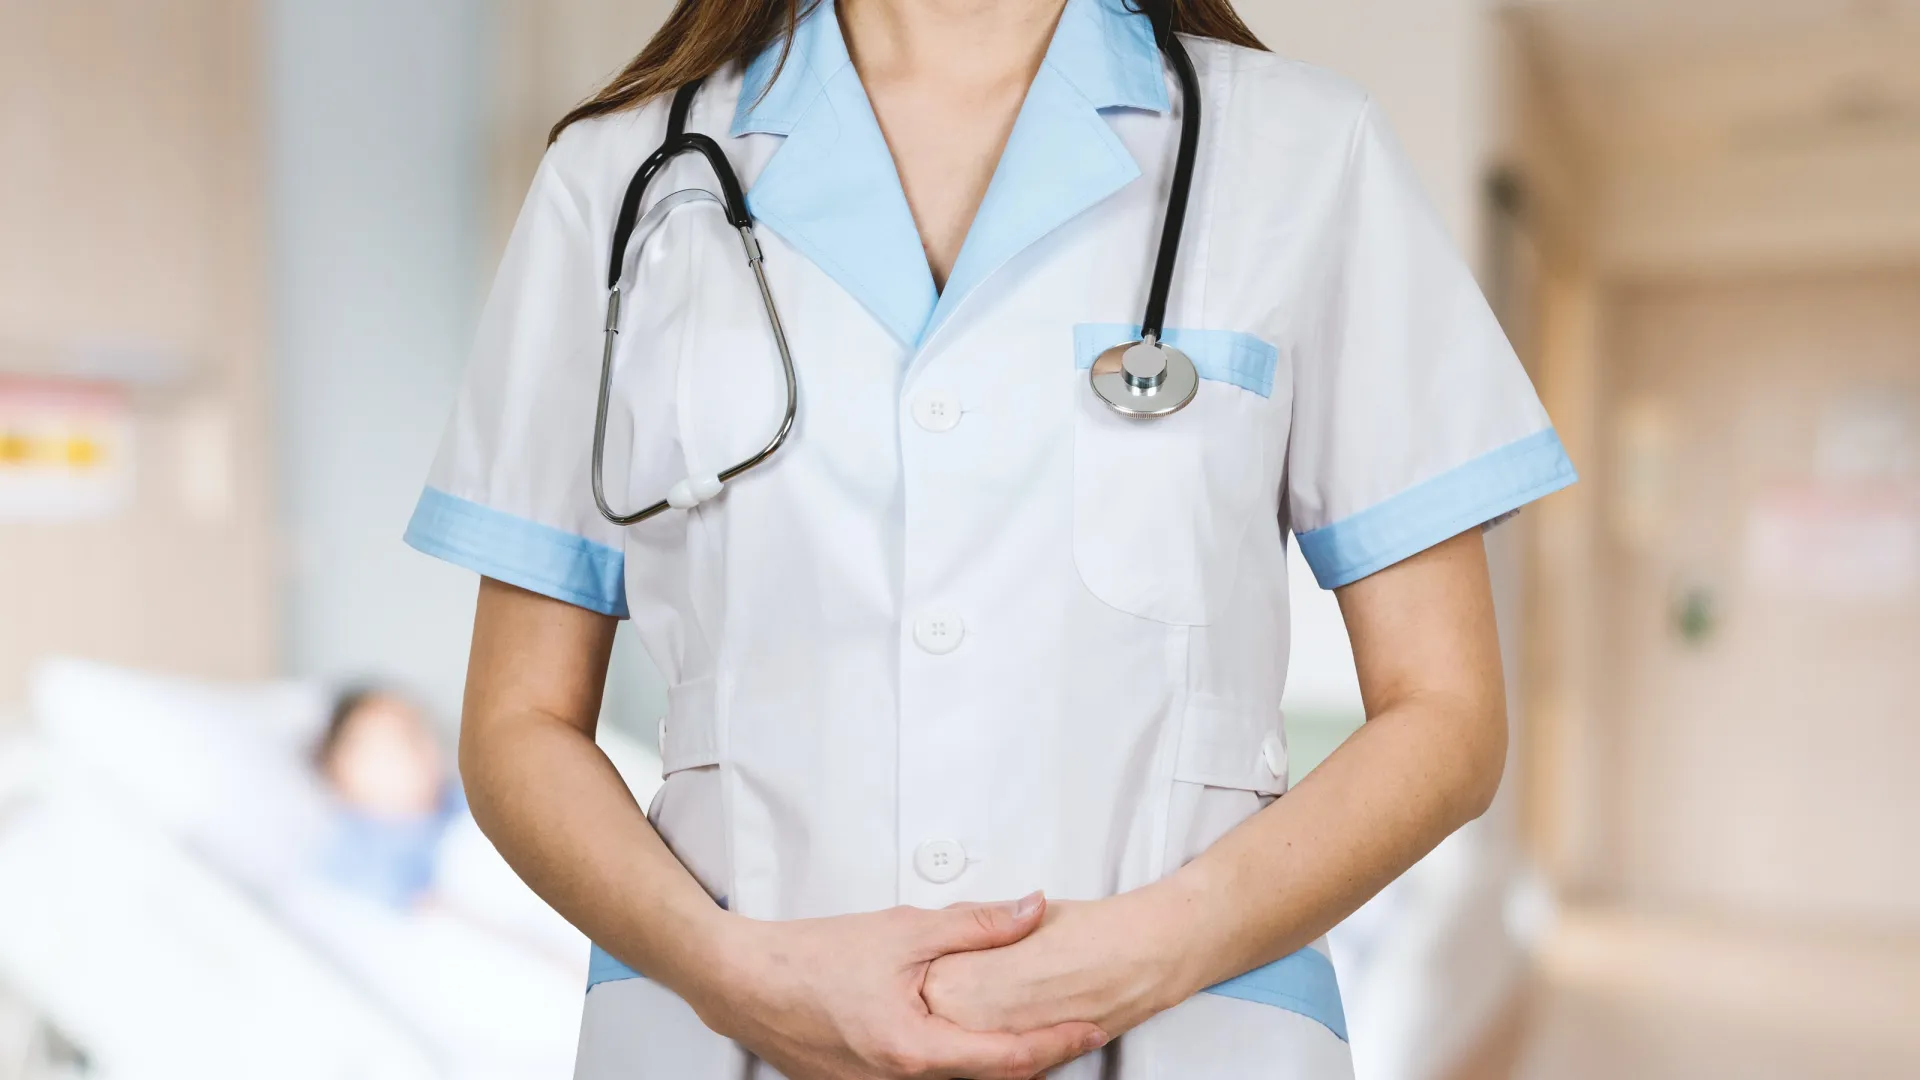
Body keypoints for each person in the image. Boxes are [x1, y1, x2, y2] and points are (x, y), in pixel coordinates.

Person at [402, 0, 1576, 1076]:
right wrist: (731, 976)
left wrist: (1150, 952)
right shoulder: (618, 179)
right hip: (727, 1041)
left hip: (1189, 1033)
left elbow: (1447, 717)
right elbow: (518, 728)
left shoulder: (1304, 153)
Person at [312, 687, 462, 909]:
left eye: (419, 731)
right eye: (395, 742)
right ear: (340, 772)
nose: (419, 751)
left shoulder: (463, 803)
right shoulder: (358, 857)